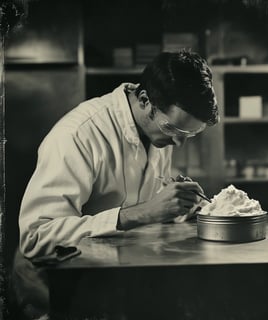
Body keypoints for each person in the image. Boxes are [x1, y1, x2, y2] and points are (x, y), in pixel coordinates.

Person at [13, 50, 218, 318]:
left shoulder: (159, 130)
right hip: (53, 286)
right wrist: (142, 213)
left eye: (190, 134)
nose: (179, 143)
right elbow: (36, 237)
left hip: (108, 280)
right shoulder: (78, 135)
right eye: (174, 131)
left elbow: (134, 198)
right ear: (145, 100)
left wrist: (176, 206)